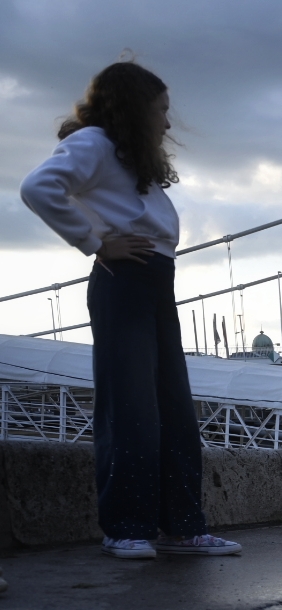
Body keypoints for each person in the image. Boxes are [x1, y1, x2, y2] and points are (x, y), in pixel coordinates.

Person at [20, 62, 241, 559]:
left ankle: (181, 527)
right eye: (160, 111)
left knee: (174, 410)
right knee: (131, 407)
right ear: (133, 107)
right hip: (124, 282)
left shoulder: (128, 158)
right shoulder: (94, 142)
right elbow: (37, 187)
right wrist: (95, 242)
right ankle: (127, 528)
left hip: (156, 282)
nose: (167, 124)